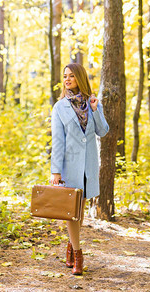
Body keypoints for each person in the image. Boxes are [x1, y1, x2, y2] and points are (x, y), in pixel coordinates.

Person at [50, 63, 109, 275]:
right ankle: (78, 254)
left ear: (80, 79)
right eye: (65, 76)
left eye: (71, 76)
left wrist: (96, 109)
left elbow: (102, 131)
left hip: (88, 166)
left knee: (79, 212)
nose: (67, 80)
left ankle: (70, 247)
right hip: (69, 167)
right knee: (72, 214)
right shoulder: (59, 108)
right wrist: (55, 171)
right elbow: (58, 142)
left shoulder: (92, 104)